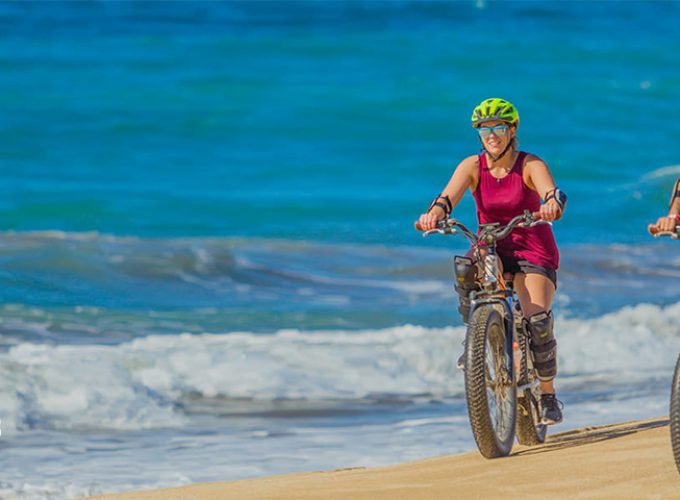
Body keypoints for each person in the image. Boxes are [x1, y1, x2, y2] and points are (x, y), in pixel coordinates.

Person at [418, 97, 567, 425]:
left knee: (537, 321)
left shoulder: (529, 164)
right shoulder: (472, 166)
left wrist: (551, 204)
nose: (492, 135)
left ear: (512, 130)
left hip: (531, 247)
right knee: (468, 269)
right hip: (491, 245)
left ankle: (547, 394)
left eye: (499, 127)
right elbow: (447, 198)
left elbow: (551, 192)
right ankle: (476, 338)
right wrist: (434, 215)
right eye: (485, 129)